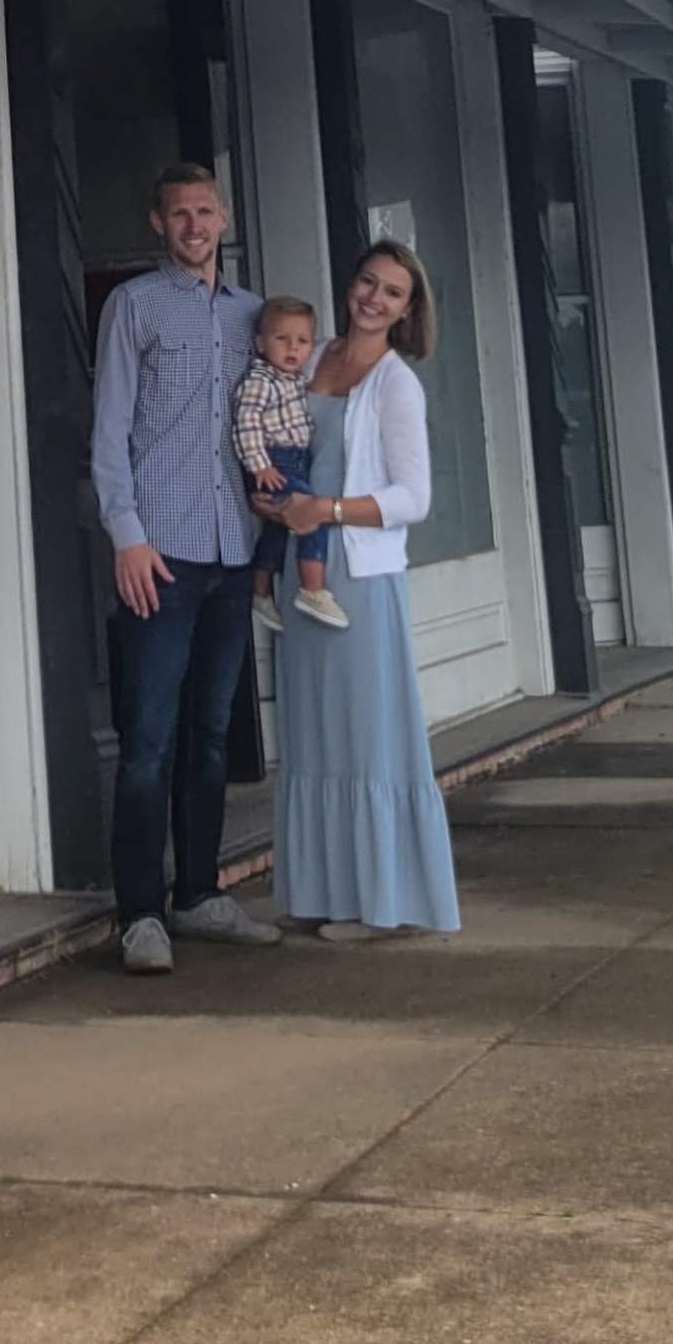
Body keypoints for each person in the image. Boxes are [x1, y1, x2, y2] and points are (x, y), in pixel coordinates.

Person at [88, 163, 285, 976]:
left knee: (211, 735)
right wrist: (126, 535)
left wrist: (278, 535)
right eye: (179, 214)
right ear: (157, 222)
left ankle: (199, 893)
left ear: (225, 217)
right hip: (159, 555)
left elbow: (279, 417)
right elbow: (109, 431)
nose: (194, 226)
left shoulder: (254, 316)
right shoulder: (133, 306)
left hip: (233, 550)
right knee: (150, 741)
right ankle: (139, 914)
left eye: (205, 212)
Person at [263, 239, 463, 944]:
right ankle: (321, 894)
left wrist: (328, 511)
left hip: (360, 574)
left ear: (409, 311)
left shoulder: (396, 383)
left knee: (369, 734)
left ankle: (384, 904)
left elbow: (415, 497)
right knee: (313, 735)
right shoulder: (310, 358)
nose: (374, 299)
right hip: (301, 571)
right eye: (368, 282)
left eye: (393, 293)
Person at [236, 296, 343, 633]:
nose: (292, 348)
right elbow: (247, 422)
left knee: (278, 530)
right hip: (274, 460)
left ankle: (260, 591)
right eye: (282, 339)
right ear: (260, 343)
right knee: (312, 514)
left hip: (296, 459)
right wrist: (260, 466)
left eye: (302, 341)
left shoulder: (295, 379)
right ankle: (312, 589)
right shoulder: (260, 380)